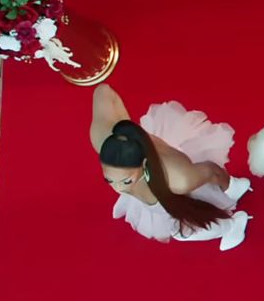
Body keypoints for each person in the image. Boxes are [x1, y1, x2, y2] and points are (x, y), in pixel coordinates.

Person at [90, 85, 251, 250]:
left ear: (144, 165)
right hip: (149, 172)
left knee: (185, 231)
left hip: (174, 177)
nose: (117, 188)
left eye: (125, 181)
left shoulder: (180, 180)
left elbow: (211, 171)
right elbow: (103, 91)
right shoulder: (101, 138)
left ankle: (232, 226)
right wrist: (130, 132)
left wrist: (232, 187)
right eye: (108, 180)